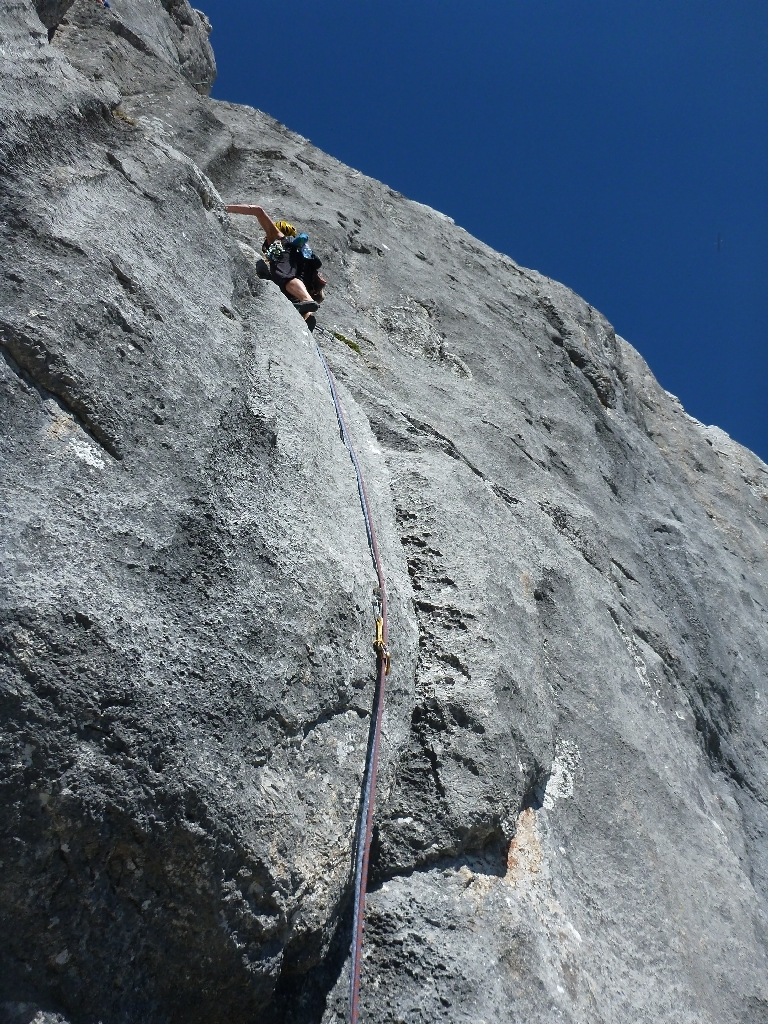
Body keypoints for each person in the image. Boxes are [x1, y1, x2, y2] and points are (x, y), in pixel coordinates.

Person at [225, 205, 326, 324]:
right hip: (304, 280)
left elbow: (259, 211)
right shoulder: (302, 253)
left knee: (284, 277)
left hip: (295, 281)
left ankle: (306, 300)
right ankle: (305, 319)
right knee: (293, 296)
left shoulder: (278, 238)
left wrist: (225, 207)